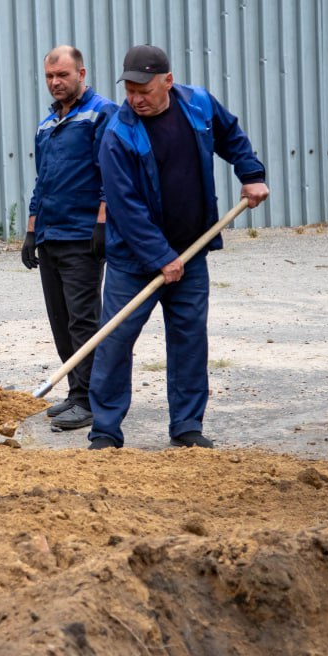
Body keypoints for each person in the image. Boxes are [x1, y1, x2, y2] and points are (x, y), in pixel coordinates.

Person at [87, 44, 269, 450]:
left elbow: (231, 136)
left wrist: (251, 172)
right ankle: (105, 430)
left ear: (167, 81)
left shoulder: (199, 104)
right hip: (134, 261)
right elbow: (125, 207)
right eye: (130, 90)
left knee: (189, 339)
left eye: (144, 90)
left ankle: (186, 425)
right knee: (116, 340)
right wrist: (160, 257)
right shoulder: (118, 133)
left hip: (191, 250)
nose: (135, 99)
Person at [22, 45, 118, 431]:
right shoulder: (48, 124)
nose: (55, 82)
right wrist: (31, 232)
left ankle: (91, 400)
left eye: (62, 75)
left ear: (82, 73)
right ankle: (77, 392)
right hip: (51, 234)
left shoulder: (101, 114)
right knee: (60, 320)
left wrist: (102, 224)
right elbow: (41, 183)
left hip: (82, 235)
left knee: (83, 319)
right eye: (49, 76)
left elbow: (110, 174)